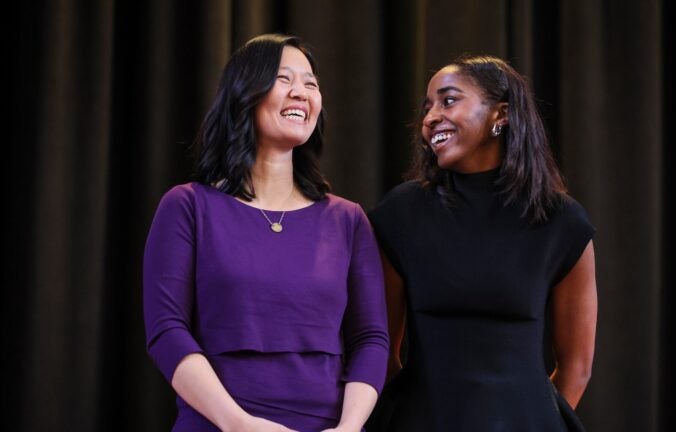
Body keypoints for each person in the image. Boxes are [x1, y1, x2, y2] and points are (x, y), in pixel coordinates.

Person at [143, 34, 389, 432]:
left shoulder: (348, 220)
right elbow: (166, 330)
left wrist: (349, 428)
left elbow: (372, 338)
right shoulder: (188, 206)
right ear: (245, 93)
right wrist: (238, 423)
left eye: (311, 83)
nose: (301, 93)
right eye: (284, 79)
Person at [367, 55, 597, 431]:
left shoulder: (561, 221)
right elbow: (382, 351)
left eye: (448, 100)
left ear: (501, 114)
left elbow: (577, 366)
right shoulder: (401, 213)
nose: (431, 117)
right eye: (427, 108)